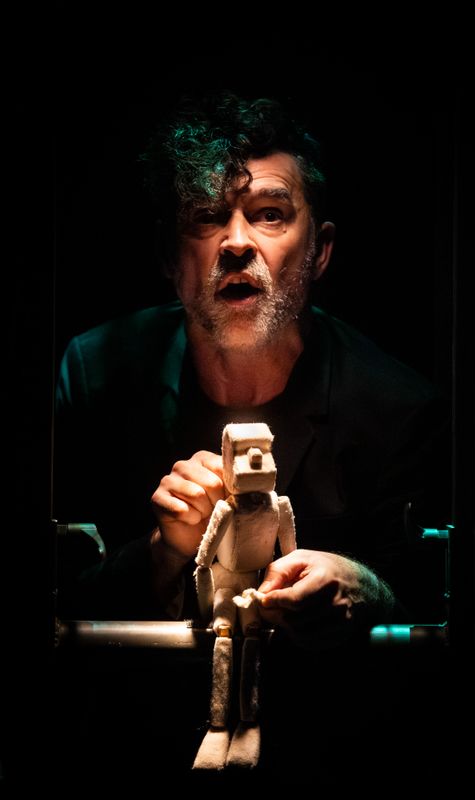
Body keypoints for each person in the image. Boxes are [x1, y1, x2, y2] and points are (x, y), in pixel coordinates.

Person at [53, 92, 450, 783]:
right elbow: (54, 613)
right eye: (206, 216)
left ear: (319, 251)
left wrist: (367, 591)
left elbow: (438, 632)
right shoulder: (95, 374)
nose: (236, 243)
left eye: (269, 214)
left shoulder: (396, 409)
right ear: (169, 254)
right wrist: (161, 554)